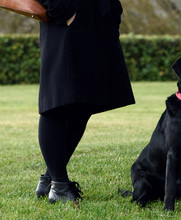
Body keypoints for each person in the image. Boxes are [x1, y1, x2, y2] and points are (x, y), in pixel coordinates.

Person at [34, 0, 135, 203]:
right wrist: (62, 9)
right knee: (58, 103)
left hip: (97, 16)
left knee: (84, 102)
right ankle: (60, 186)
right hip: (67, 14)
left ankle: (50, 178)